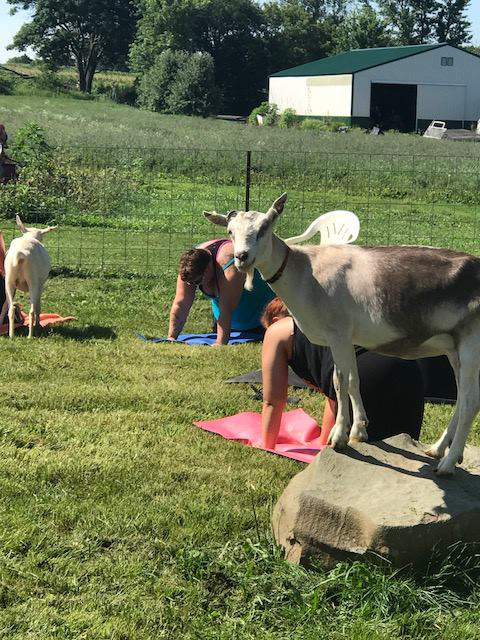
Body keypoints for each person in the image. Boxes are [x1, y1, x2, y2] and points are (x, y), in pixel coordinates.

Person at [260, 297, 456, 450]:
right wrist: (323, 445)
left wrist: (266, 447)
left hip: (366, 376)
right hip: (409, 371)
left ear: (276, 319)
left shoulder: (278, 330)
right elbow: (333, 398)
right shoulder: (333, 313)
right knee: (407, 457)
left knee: (361, 463)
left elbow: (273, 401)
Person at [168, 238, 276, 345]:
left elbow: (226, 310)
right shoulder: (189, 266)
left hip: (260, 316)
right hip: (229, 321)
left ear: (207, 270)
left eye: (197, 281)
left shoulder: (230, 266)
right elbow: (181, 303)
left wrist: (220, 344)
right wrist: (172, 337)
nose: (192, 285)